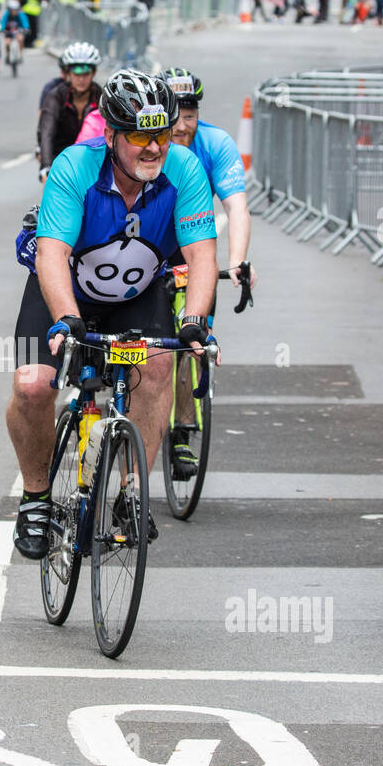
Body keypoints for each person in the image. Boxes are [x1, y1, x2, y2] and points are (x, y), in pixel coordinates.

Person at [6, 70, 218, 557]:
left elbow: (203, 255)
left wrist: (195, 322)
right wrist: (66, 315)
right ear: (111, 135)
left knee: (161, 363)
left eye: (161, 134)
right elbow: (52, 254)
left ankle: (131, 494)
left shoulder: (184, 170)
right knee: (33, 385)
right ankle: (36, 498)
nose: (154, 147)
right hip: (60, 290)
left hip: (138, 293)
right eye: (141, 135)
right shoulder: (74, 167)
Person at [160, 67, 256, 473]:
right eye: (175, 113)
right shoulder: (147, 142)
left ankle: (182, 432)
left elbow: (236, 206)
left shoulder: (215, 142)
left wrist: (237, 260)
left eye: (191, 112)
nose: (183, 124)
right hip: (149, 247)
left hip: (193, 250)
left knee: (189, 341)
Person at [38, 42, 102, 184]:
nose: (81, 79)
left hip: (93, 165)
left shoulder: (102, 97)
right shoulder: (55, 96)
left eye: (86, 74)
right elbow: (46, 133)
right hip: (60, 162)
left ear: (94, 73)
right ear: (68, 74)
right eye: (76, 74)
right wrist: (46, 165)